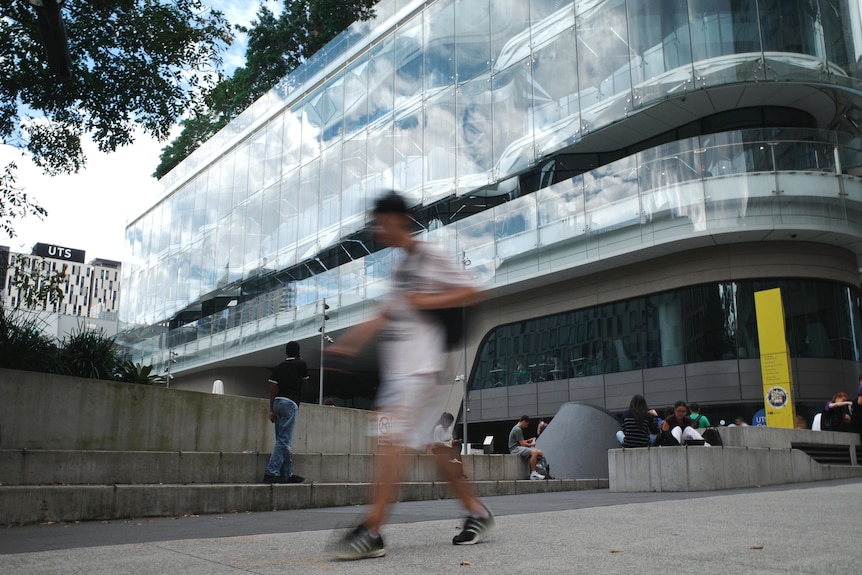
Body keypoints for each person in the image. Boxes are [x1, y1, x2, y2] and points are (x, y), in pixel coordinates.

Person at [326, 191, 491, 559]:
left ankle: (372, 530)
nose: (376, 230)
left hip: (421, 369)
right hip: (400, 373)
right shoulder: (400, 268)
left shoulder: (429, 255)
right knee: (433, 450)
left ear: (397, 220)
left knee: (390, 445)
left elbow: (471, 290)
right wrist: (348, 343)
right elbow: (387, 314)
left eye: (379, 222)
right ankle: (476, 513)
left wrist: (425, 300)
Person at [263, 341, 308, 484]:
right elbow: (305, 382)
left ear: (286, 352)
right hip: (290, 403)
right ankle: (271, 472)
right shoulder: (301, 365)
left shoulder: (278, 367)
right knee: (284, 440)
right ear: (298, 353)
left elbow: (273, 389)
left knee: (282, 440)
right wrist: (300, 361)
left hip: (277, 403)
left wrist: (271, 409)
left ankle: (287, 473)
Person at [508, 415, 545, 479]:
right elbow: (522, 444)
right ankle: (533, 473)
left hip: (517, 447)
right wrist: (532, 445)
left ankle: (539, 471)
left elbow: (521, 441)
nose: (526, 426)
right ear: (524, 421)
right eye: (526, 424)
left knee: (540, 452)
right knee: (534, 452)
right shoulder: (518, 430)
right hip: (515, 449)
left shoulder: (516, 428)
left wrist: (528, 440)